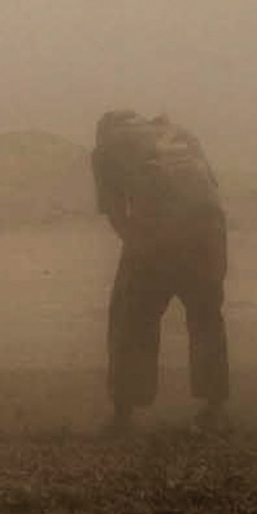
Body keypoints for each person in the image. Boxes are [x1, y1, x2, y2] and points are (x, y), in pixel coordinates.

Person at [91, 110, 230, 432]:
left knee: (132, 317)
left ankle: (123, 414)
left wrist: (138, 249)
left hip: (159, 227)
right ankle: (216, 410)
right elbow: (208, 190)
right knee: (206, 317)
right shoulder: (181, 132)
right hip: (209, 229)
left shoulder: (106, 145)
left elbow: (116, 213)